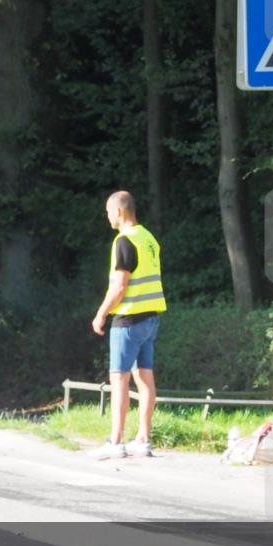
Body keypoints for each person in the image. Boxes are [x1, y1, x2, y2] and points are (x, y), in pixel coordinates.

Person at [90, 191, 166, 460]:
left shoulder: (124, 240)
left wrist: (101, 314)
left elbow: (119, 286)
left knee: (119, 379)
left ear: (119, 212)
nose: (107, 217)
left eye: (108, 212)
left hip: (129, 320)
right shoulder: (148, 238)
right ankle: (143, 439)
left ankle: (116, 441)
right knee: (145, 378)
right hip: (151, 318)